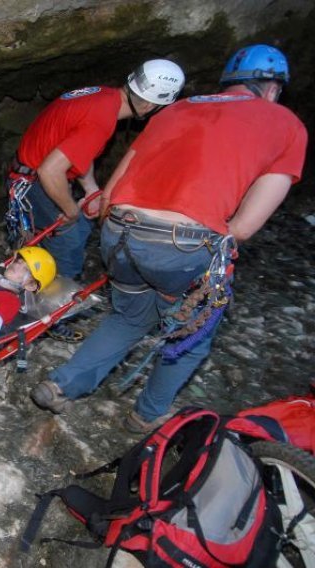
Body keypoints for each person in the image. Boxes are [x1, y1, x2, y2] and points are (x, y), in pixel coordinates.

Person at [30, 44, 308, 434]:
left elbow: (111, 192)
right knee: (191, 335)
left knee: (128, 315)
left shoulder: (176, 109)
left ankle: (62, 384)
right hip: (185, 243)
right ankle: (147, 413)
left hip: (121, 230)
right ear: (273, 88)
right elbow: (244, 227)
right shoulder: (287, 125)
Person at [5, 59, 185, 341]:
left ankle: (25, 284)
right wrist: (70, 211)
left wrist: (90, 189)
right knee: (72, 235)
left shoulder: (102, 97)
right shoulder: (101, 120)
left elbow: (77, 150)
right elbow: (50, 170)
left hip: (29, 172)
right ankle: (49, 314)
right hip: (32, 181)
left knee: (75, 229)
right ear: (151, 106)